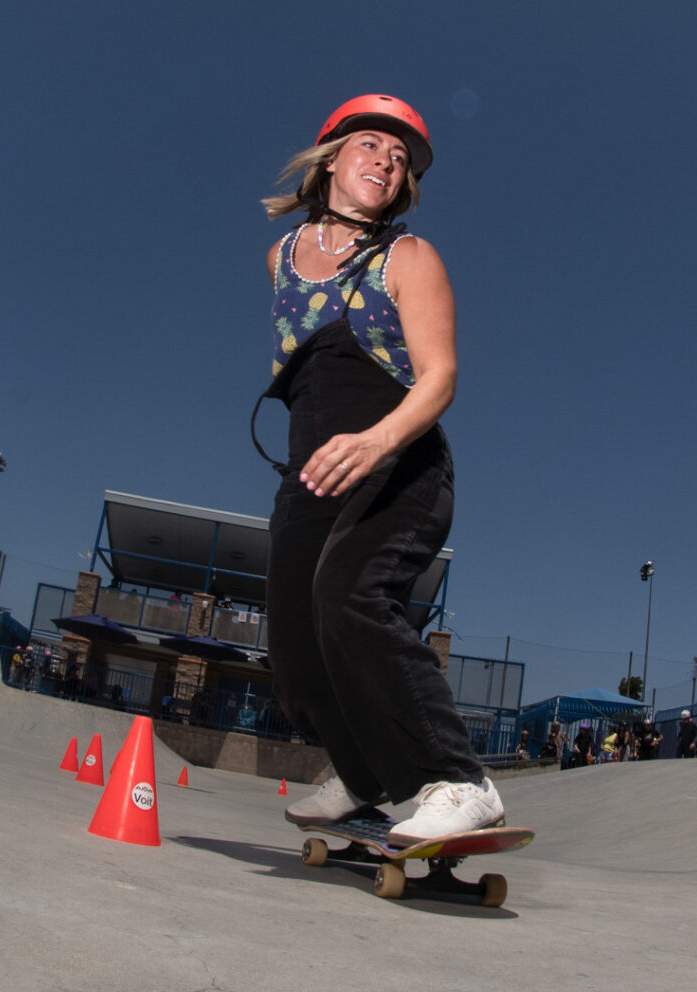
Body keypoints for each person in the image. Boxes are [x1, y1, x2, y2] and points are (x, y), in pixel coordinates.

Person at [257, 94, 503, 845]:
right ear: (331, 156)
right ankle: (362, 777)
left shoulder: (410, 257)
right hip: (311, 476)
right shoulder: (280, 258)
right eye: (371, 146)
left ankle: (459, 781)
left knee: (353, 598)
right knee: (296, 648)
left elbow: (439, 378)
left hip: (402, 465)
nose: (386, 164)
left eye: (398, 161)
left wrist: (375, 440)